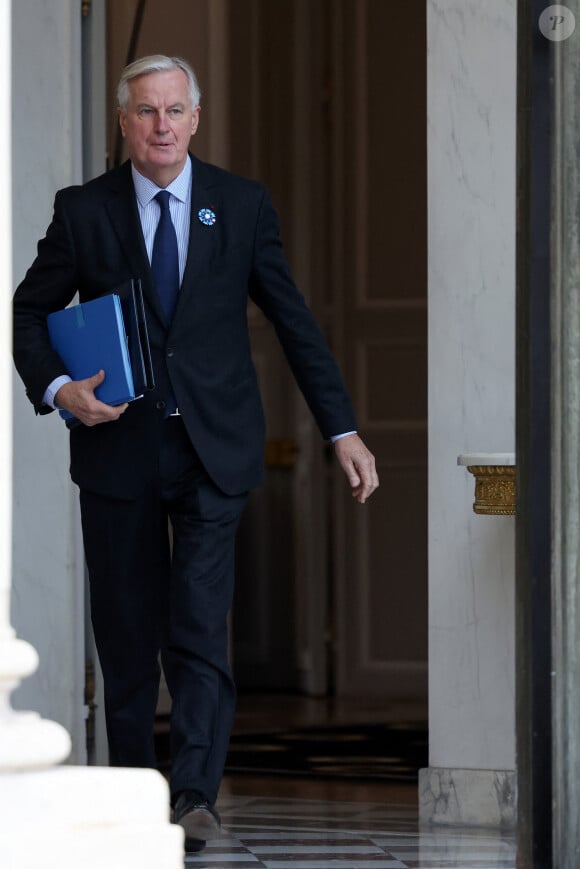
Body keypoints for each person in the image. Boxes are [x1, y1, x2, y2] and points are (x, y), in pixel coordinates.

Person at [12, 54, 378, 852]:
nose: (162, 125)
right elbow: (29, 312)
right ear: (124, 122)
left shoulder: (239, 205)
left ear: (196, 118)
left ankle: (195, 796)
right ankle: (140, 793)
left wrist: (340, 428)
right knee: (125, 630)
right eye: (146, 111)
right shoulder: (84, 211)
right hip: (118, 450)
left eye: (175, 110)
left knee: (200, 630)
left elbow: (294, 320)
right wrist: (60, 390)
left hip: (215, 452)